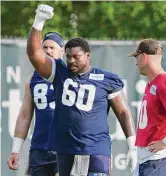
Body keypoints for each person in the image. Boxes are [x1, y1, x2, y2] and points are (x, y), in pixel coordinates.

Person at [26, 4, 137, 176]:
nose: (71, 61)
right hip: (66, 150)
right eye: (68, 56)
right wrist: (38, 22)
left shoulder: (106, 79)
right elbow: (34, 54)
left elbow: (123, 112)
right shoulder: (60, 73)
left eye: (76, 57)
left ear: (87, 55)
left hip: (95, 149)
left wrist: (132, 145)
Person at [7, 31, 64, 176]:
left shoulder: (70, 75)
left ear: (62, 51)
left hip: (66, 148)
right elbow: (25, 115)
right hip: (40, 149)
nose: (48, 51)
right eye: (44, 47)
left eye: (53, 47)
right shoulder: (33, 79)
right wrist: (15, 149)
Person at [128, 38, 166, 176]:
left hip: (158, 161)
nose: (136, 62)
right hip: (147, 162)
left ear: (144, 56)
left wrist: (164, 142)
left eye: (136, 57)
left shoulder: (163, 81)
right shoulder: (152, 83)